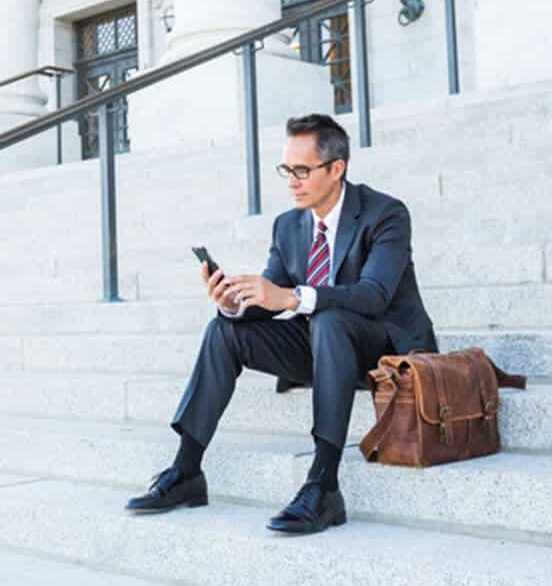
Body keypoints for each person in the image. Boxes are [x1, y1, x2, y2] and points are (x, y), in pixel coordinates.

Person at [126, 114, 438, 534]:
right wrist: (235, 301)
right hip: (322, 347)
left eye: (302, 170)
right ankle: (186, 472)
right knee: (224, 330)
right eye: (286, 170)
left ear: (337, 168)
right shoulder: (288, 224)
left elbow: (374, 294)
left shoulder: (385, 214)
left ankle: (324, 485)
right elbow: (271, 297)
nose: (292, 180)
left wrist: (293, 297)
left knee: (328, 318)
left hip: (384, 349)